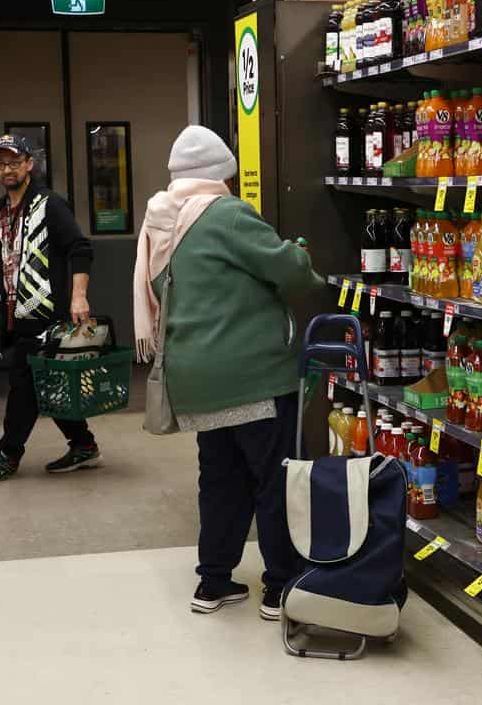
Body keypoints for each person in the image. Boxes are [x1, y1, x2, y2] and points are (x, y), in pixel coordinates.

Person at [133, 126, 322, 620]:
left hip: (194, 377)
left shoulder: (159, 218)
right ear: (221, 175)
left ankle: (213, 582)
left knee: (219, 479)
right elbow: (291, 271)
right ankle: (280, 587)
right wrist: (301, 255)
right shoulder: (227, 215)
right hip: (250, 373)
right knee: (271, 479)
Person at [0, 135, 98, 483]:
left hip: (48, 316)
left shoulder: (51, 205)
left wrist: (79, 296)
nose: (7, 169)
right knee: (46, 386)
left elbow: (80, 248)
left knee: (23, 386)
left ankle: (7, 455)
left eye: (14, 162)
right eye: (0, 163)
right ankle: (83, 444)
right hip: (14, 318)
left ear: (29, 164)